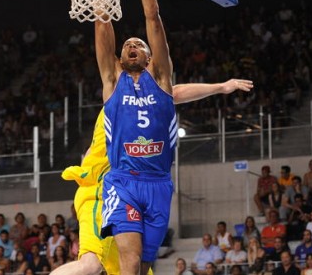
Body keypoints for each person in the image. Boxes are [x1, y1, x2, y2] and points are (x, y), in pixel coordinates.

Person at [94, 0, 232, 275]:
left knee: (145, 264)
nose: (131, 45)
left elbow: (153, 18)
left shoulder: (162, 80)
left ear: (149, 56)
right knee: (130, 260)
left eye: (138, 44)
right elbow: (102, 21)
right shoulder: (112, 81)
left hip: (159, 183)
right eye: (127, 44)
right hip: (123, 181)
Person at [53, 78, 253, 275]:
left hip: (122, 193)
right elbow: (174, 93)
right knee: (91, 265)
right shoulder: (120, 103)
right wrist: (221, 87)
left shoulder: (126, 111)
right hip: (100, 193)